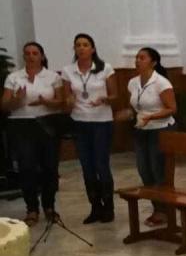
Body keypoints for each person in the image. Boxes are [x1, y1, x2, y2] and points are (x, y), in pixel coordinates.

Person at [3, 42, 65, 227]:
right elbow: (4, 106)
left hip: (47, 124)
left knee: (50, 167)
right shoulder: (14, 77)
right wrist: (17, 99)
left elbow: (61, 102)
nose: (31, 56)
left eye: (35, 53)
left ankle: (49, 206)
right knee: (27, 167)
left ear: (42, 56)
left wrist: (45, 101)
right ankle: (31, 208)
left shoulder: (52, 76)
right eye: (27, 53)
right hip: (21, 125)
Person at [61, 33, 117, 224]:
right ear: (74, 49)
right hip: (79, 121)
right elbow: (67, 98)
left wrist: (105, 99)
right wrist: (67, 101)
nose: (82, 48)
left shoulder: (105, 68)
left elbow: (115, 95)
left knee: (101, 164)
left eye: (85, 45)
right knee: (87, 166)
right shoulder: (68, 70)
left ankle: (108, 206)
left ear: (92, 49)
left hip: (101, 121)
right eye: (78, 45)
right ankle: (95, 206)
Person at [119, 47, 176, 227]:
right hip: (141, 129)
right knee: (144, 169)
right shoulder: (133, 82)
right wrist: (128, 114)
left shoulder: (161, 83)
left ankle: (164, 211)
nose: (137, 61)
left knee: (158, 169)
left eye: (142, 58)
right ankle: (156, 207)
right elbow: (135, 107)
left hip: (160, 129)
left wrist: (151, 116)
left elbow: (172, 108)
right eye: (136, 57)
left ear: (153, 62)